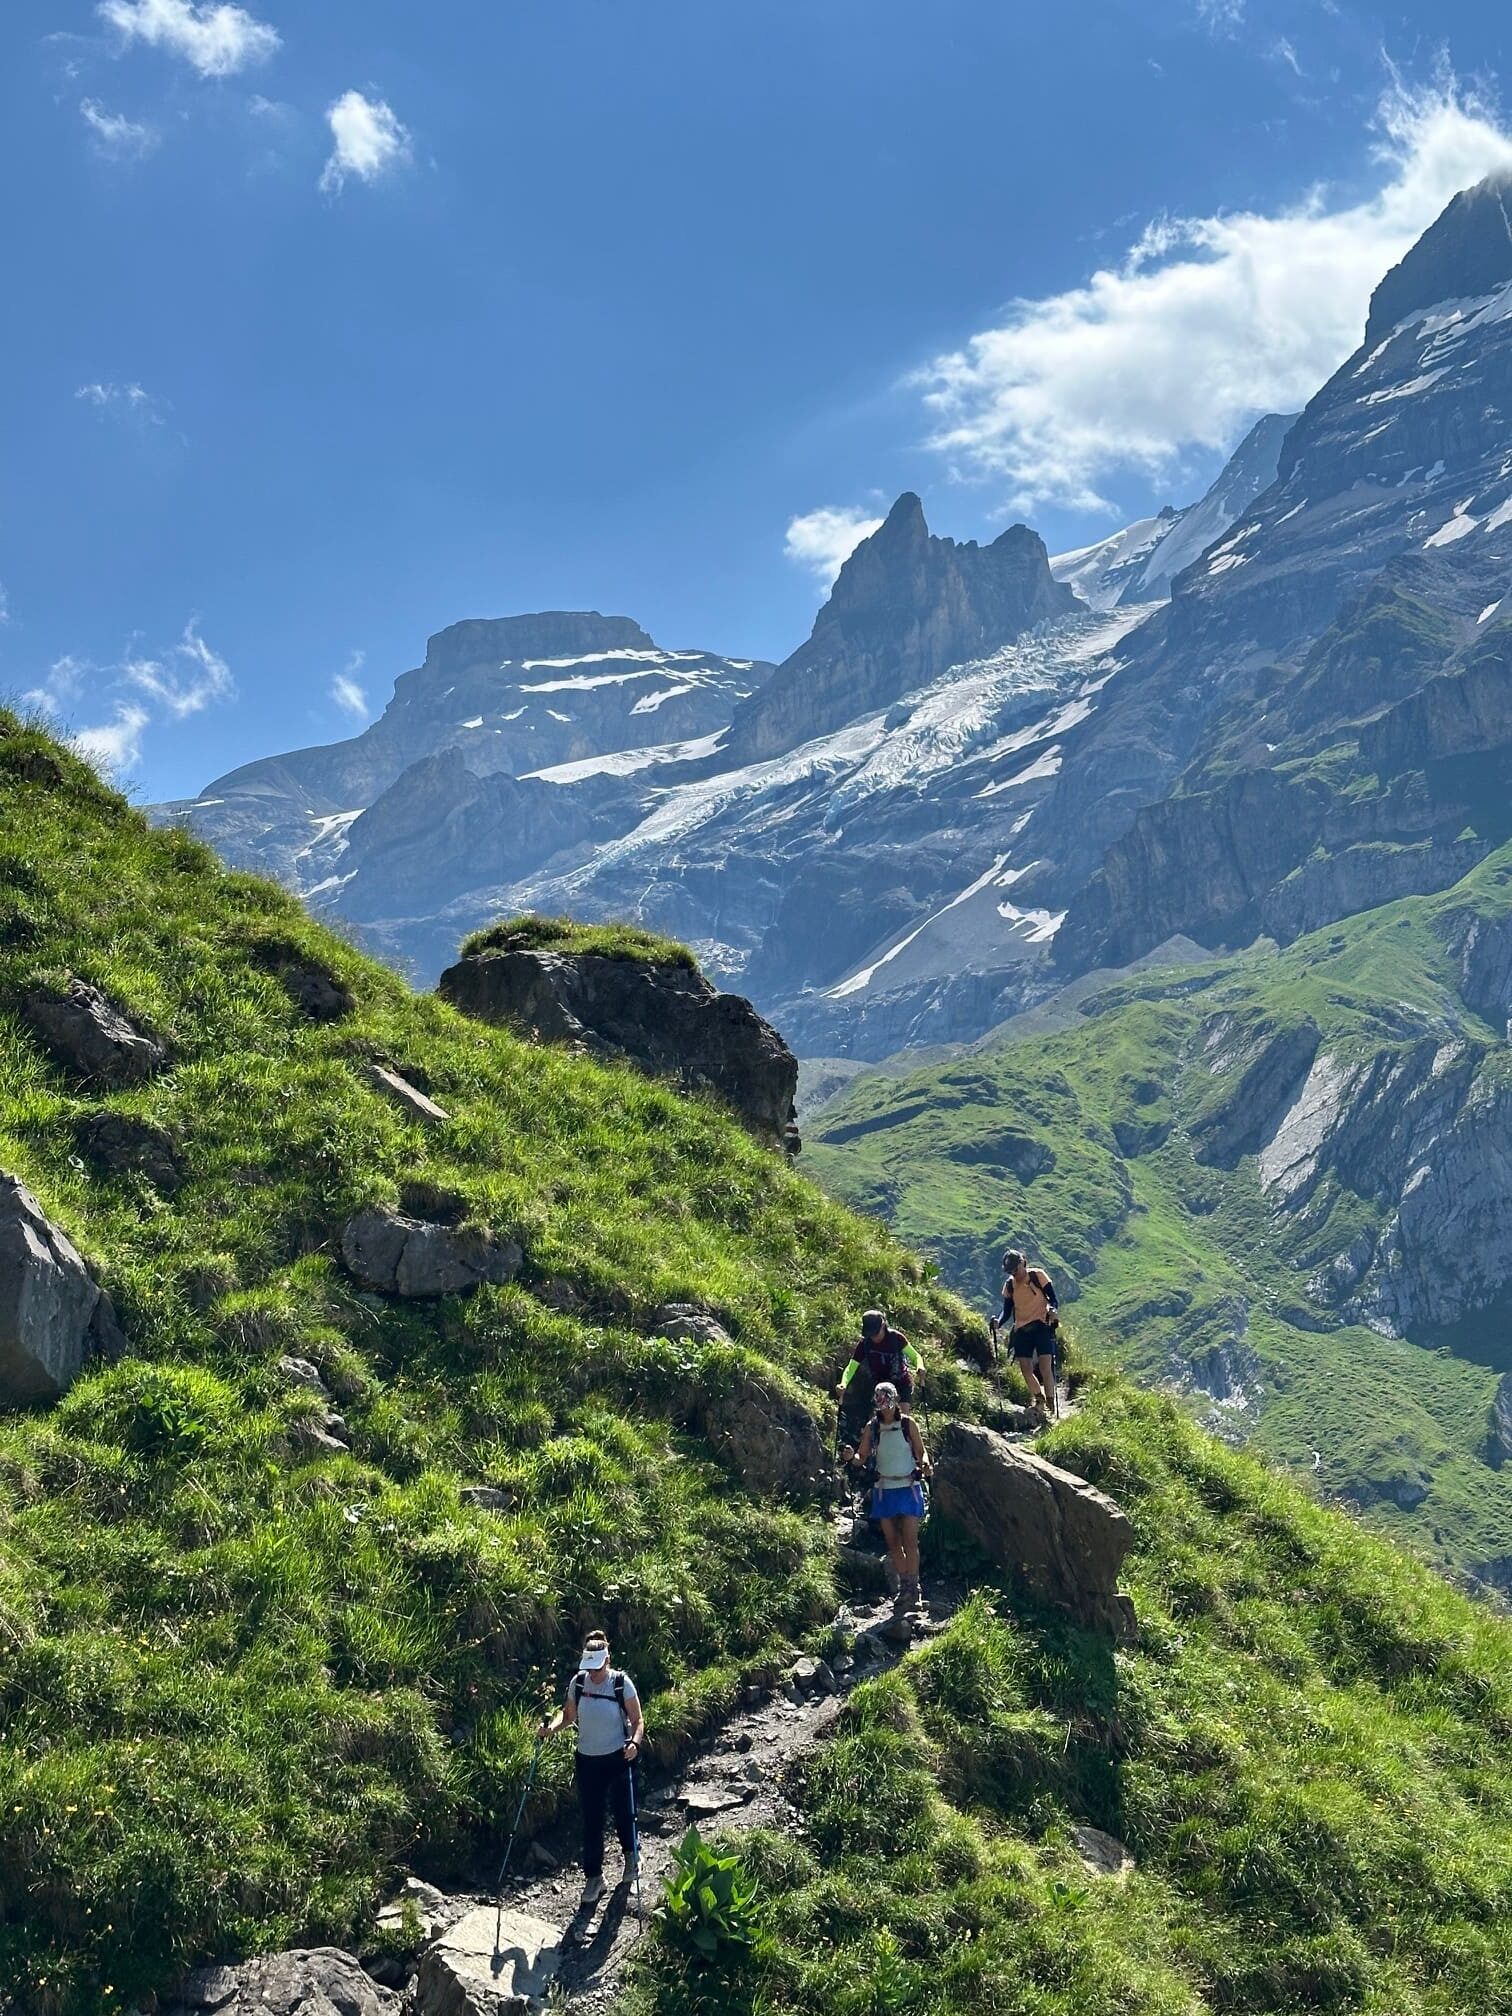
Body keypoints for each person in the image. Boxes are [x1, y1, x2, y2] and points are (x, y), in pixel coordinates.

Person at [538, 1629, 645, 1909]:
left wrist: (634, 1743)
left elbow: (637, 1720)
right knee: (592, 1820)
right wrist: (551, 1729)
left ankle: (632, 1856)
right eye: (590, 1667)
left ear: (607, 1661)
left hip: (619, 1756)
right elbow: (569, 1715)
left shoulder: (622, 1684)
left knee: (624, 1812)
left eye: (598, 1667)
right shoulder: (579, 1682)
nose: (593, 1673)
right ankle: (594, 1877)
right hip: (587, 1760)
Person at [847, 1382, 930, 1615]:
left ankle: (913, 1588)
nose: (884, 1408)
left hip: (908, 1486)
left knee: (910, 1541)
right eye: (880, 1403)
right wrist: (850, 1457)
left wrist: (924, 1463)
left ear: (894, 1402)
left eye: (887, 1402)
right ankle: (906, 1587)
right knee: (893, 1542)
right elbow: (861, 1457)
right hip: (884, 1489)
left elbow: (921, 1450)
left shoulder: (907, 1424)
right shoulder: (872, 1428)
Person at [999, 1249, 1060, 1419]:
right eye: (1009, 1271)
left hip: (1042, 1325)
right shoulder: (1010, 1285)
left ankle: (1050, 1402)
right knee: (1025, 1368)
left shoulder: (1037, 1276)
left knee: (1045, 1366)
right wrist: (998, 1321)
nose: (1013, 1274)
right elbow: (1006, 1311)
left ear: (1022, 1263)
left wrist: (1052, 1309)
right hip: (1022, 1329)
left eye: (1015, 1270)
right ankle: (1039, 1399)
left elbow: (1053, 1299)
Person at [835, 1308, 923, 1418]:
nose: (873, 1338)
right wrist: (843, 1384)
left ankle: (905, 1433)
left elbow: (915, 1356)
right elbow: (851, 1367)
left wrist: (920, 1366)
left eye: (875, 1334)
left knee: (902, 1418)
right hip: (880, 1386)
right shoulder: (865, 1343)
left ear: (883, 1326)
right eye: (870, 1335)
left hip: (901, 1383)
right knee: (883, 1420)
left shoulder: (896, 1338)